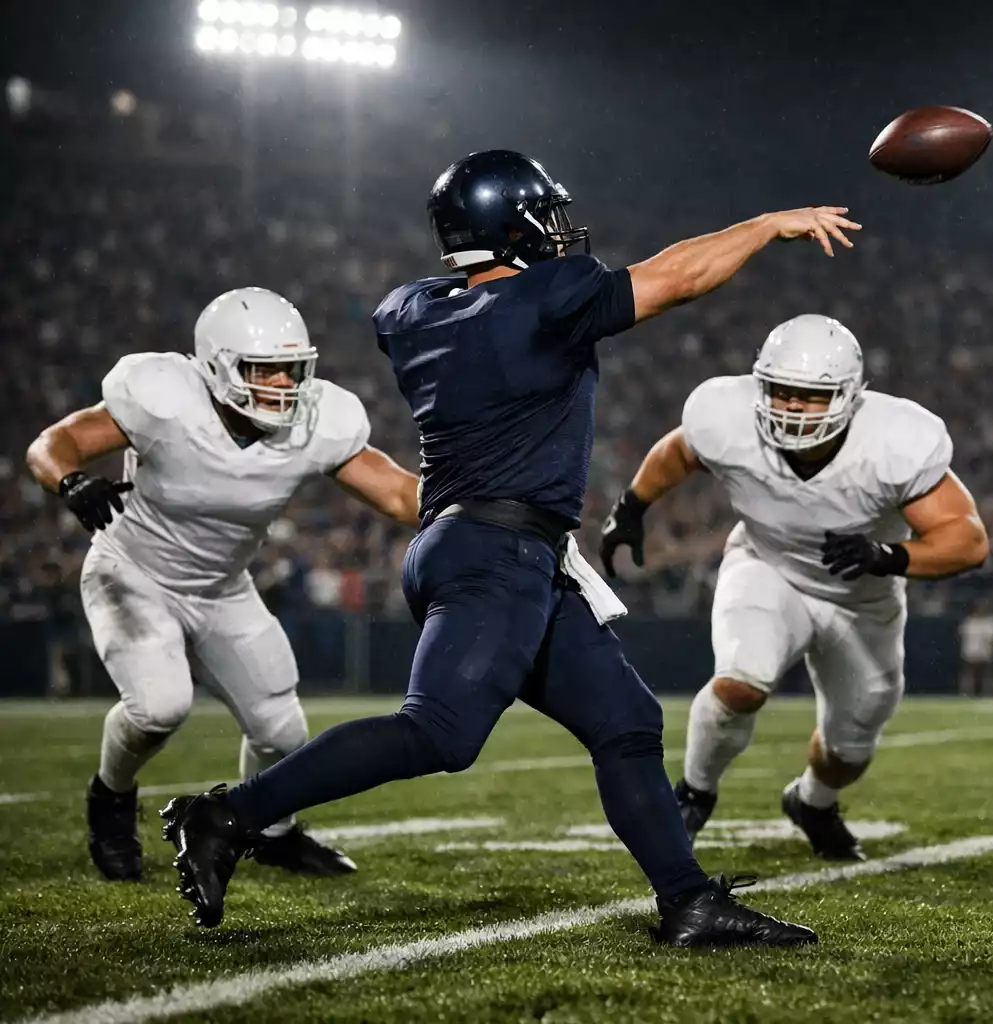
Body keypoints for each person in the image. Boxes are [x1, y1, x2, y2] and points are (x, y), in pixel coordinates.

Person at [158, 149, 858, 945]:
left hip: (480, 545)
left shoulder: (411, 313)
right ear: (509, 225)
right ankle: (226, 815)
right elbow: (679, 277)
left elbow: (454, 301)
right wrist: (765, 225)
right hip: (498, 551)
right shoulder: (546, 300)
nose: (558, 232)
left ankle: (688, 901)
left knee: (625, 720)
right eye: (542, 217)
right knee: (439, 730)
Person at [25, 287, 420, 882]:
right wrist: (71, 481)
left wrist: (482, 504)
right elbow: (53, 444)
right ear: (216, 366)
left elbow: (398, 493)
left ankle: (274, 833)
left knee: (283, 731)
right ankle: (111, 796)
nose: (283, 385)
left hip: (222, 587)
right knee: (158, 708)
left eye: (291, 369)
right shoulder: (166, 399)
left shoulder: (317, 422)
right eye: (265, 370)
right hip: (133, 571)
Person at [600, 314, 988, 861]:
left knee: (851, 745)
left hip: (860, 597)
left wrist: (888, 556)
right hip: (767, 565)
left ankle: (812, 802)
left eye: (810, 395)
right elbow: (681, 450)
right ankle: (694, 792)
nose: (791, 407)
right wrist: (631, 506)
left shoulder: (892, 442)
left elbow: (967, 540)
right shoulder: (730, 417)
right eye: (781, 391)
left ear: (850, 397)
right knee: (741, 681)